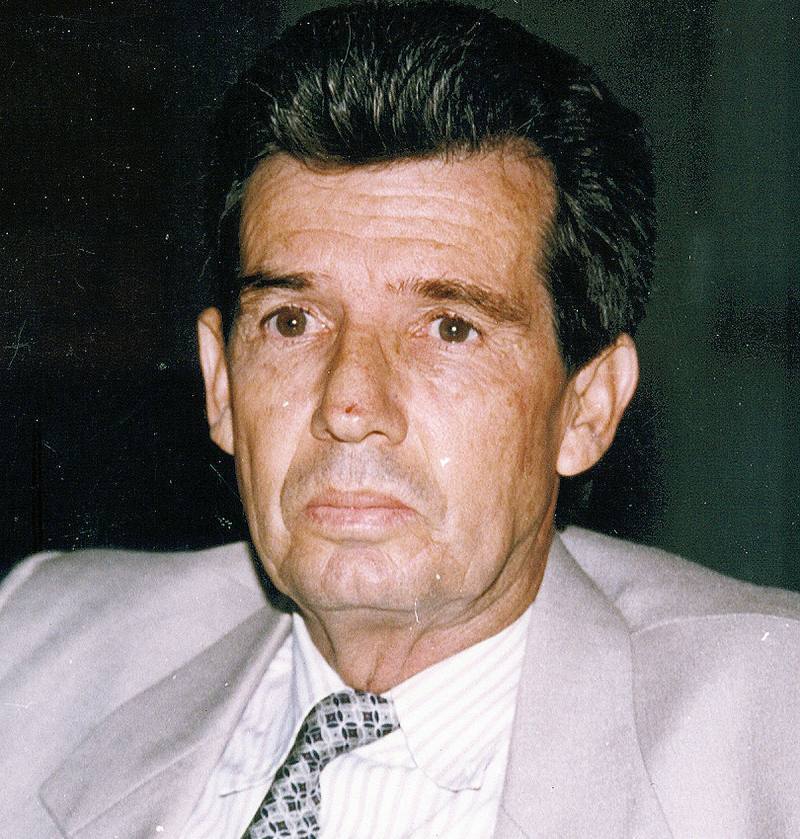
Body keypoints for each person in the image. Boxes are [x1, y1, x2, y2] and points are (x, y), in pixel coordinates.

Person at [1, 2, 798, 837]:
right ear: (222, 383)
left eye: (450, 328)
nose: (349, 405)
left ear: (587, 406)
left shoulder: (773, 735)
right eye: (292, 322)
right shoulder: (38, 650)